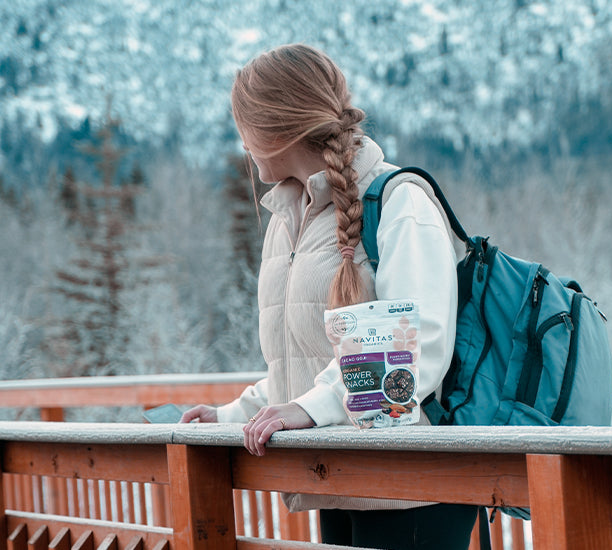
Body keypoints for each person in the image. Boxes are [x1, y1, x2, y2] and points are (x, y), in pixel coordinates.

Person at [181, 43, 479, 549]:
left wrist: (314, 408)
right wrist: (237, 414)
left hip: (411, 485)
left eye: (244, 130)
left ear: (276, 129)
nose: (244, 147)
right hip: (336, 472)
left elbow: (416, 352)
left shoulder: (399, 200)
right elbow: (309, 356)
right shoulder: (289, 219)